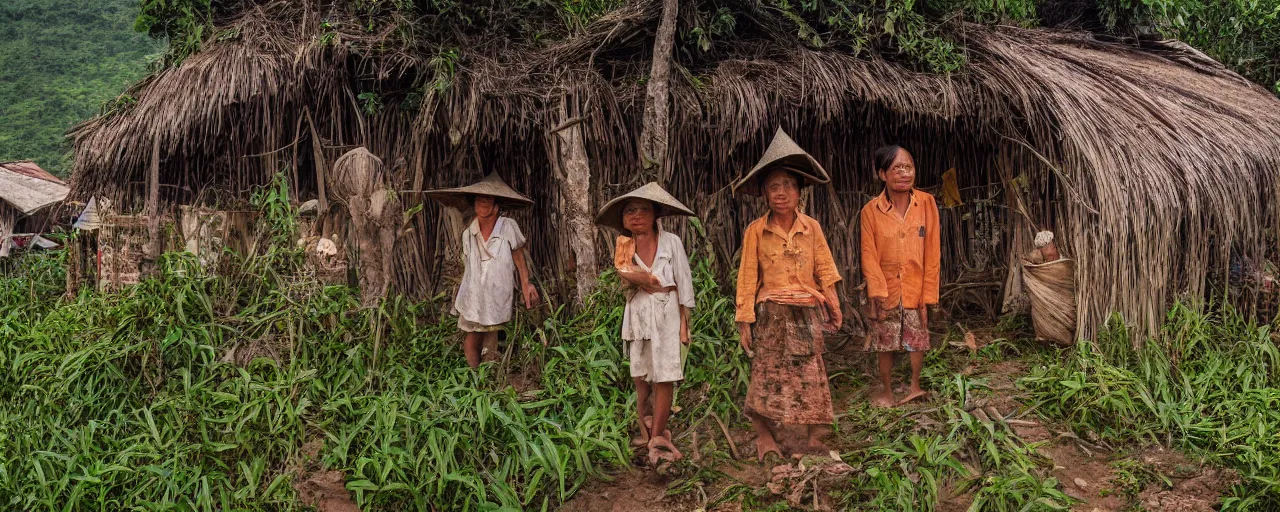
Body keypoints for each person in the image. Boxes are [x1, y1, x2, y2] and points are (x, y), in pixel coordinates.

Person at [732, 128, 843, 461]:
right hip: (771, 312)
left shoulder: (812, 228)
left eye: (788, 186)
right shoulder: (756, 230)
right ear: (765, 193)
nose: (782, 193)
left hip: (807, 311)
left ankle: (814, 436)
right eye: (774, 186)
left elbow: (826, 269)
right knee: (767, 375)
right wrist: (744, 320)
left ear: (799, 191)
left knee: (811, 374)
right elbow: (748, 277)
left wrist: (833, 305)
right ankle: (765, 435)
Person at [596, 182, 697, 465]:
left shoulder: (672, 242)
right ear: (624, 220)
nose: (636, 216)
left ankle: (658, 437)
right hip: (638, 313)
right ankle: (647, 430)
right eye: (630, 211)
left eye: (643, 210)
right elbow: (625, 281)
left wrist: (684, 325)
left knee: (664, 375)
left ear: (655, 215)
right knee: (641, 377)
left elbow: (684, 284)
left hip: (668, 313)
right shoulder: (624, 247)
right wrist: (641, 280)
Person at [425, 174, 539, 368]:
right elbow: (469, 265)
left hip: (497, 291)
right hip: (474, 293)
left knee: (491, 336)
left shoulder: (507, 227)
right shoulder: (469, 232)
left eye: (488, 199)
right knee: (472, 337)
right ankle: (475, 379)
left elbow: (519, 259)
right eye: (479, 199)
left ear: (497, 205)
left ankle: (489, 380)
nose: (483, 203)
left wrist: (525, 284)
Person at [860, 145, 941, 407]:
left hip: (916, 287)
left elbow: (933, 251)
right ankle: (887, 391)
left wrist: (928, 295)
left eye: (909, 167)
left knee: (917, 339)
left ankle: (914, 386)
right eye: (897, 168)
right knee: (885, 342)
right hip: (886, 290)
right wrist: (876, 292)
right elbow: (868, 255)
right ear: (883, 174)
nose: (904, 173)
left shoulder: (926, 203)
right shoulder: (870, 211)